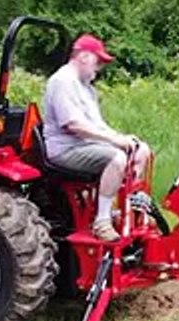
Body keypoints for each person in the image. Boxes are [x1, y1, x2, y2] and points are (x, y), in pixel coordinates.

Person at [42, 33, 151, 242]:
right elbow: (73, 125)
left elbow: (97, 125)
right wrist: (114, 142)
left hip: (84, 146)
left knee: (141, 150)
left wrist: (122, 138)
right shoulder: (62, 82)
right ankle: (102, 221)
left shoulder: (87, 89)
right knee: (115, 158)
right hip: (65, 149)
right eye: (97, 60)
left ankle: (130, 213)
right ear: (83, 56)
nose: (99, 67)